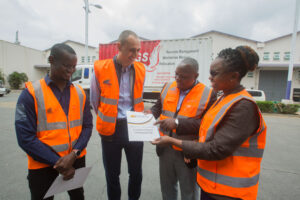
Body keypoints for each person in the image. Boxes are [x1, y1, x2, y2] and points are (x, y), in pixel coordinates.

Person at [152, 46, 267, 200]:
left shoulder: (243, 106)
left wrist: (175, 140)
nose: (210, 78)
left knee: (188, 192)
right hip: (211, 185)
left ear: (234, 76)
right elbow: (208, 133)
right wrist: (193, 146)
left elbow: (217, 148)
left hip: (229, 193)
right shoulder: (223, 99)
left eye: (214, 74)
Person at [15, 43, 93, 200]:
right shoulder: (30, 94)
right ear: (51, 60)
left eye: (74, 67)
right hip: (43, 164)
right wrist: (57, 163)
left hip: (75, 161)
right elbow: (25, 138)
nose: (71, 71)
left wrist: (74, 153)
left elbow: (87, 126)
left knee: (78, 197)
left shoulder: (80, 93)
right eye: (66, 66)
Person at [147, 57, 216, 200]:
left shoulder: (208, 94)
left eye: (183, 76)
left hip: (188, 152)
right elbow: (158, 107)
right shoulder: (168, 86)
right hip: (165, 148)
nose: (178, 78)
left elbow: (207, 125)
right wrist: (150, 114)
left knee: (189, 192)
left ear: (195, 76)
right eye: (176, 74)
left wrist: (178, 123)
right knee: (167, 189)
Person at [90, 30, 145, 200]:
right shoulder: (100, 68)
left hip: (134, 126)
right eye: (131, 50)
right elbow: (94, 100)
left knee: (136, 173)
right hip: (111, 129)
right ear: (119, 47)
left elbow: (138, 96)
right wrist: (108, 117)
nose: (135, 55)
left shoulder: (141, 69)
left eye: (138, 50)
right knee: (112, 175)